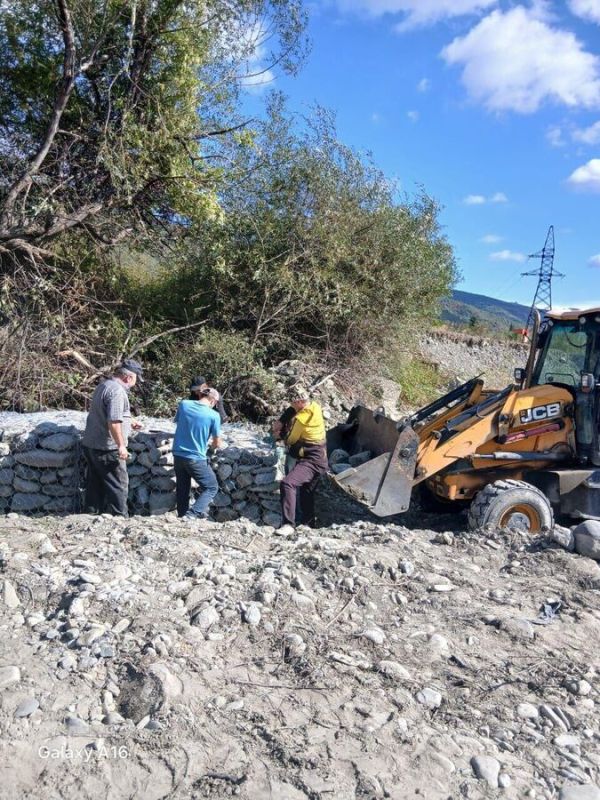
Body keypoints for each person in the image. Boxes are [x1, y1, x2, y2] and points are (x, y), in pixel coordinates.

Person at [81, 359, 144, 516]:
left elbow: (106, 413)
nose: (135, 383)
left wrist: (130, 421)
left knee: (94, 484)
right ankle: (120, 519)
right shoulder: (117, 392)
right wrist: (121, 446)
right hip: (107, 447)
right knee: (119, 485)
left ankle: (91, 516)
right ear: (128, 377)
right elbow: (114, 422)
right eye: (136, 379)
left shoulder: (104, 385)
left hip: (91, 444)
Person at [277, 386, 328, 527]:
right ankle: (309, 524)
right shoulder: (315, 406)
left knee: (288, 483)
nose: (291, 405)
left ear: (300, 402)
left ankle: (288, 524)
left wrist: (279, 434)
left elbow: (291, 440)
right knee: (307, 491)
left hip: (312, 459)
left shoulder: (301, 419)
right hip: (322, 456)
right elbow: (295, 409)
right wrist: (282, 420)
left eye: (293, 402)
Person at [173, 382, 222, 520]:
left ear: (201, 395)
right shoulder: (213, 415)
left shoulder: (184, 404)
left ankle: (181, 515)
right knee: (211, 487)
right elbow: (217, 442)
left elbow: (178, 422)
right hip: (196, 457)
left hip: (178, 454)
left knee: (183, 488)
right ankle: (192, 514)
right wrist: (212, 449)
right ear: (213, 401)